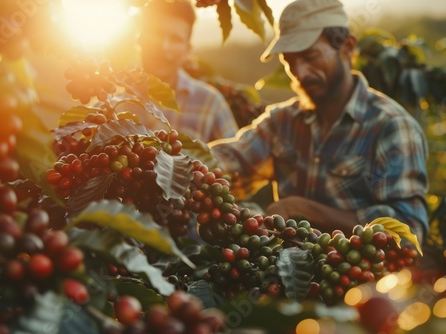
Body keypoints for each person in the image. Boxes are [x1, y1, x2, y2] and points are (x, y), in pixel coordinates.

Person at [208, 0, 429, 241]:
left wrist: (301, 209)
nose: (300, 73)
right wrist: (169, 161)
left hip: (364, 279)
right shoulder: (282, 121)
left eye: (311, 57)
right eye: (289, 62)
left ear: (347, 47)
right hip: (288, 274)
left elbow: (410, 233)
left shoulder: (391, 126)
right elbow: (231, 163)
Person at [134, 0, 238, 143]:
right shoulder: (112, 103)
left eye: (175, 39)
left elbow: (234, 160)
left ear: (188, 50)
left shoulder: (210, 104)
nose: (164, 46)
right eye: (157, 34)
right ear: (140, 39)